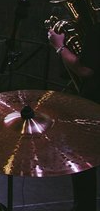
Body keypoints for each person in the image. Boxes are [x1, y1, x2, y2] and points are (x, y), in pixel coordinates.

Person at [49, 24, 100, 211]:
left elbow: (85, 70)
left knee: (83, 159)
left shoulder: (96, 27)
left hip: (94, 106)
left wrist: (60, 47)